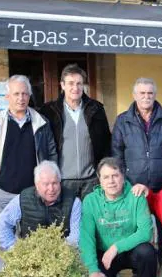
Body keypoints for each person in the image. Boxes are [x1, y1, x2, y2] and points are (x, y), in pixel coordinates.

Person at [0, 75, 57, 261]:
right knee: (4, 244)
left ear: (29, 96)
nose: (20, 98)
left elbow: (52, 154)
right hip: (2, 193)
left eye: (24, 94)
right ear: (7, 97)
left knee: (35, 241)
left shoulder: (41, 122)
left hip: (33, 194)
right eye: (16, 94)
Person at [79, 157, 161, 277]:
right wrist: (92, 270)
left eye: (115, 175)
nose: (111, 181)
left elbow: (145, 233)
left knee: (147, 252)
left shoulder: (136, 196)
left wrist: (116, 247)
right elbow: (87, 238)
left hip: (131, 251)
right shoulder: (90, 201)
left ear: (123, 176)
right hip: (105, 255)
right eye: (106, 177)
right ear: (100, 181)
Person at [40, 64, 111, 200]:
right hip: (63, 180)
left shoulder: (96, 109)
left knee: (90, 220)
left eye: (79, 83)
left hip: (91, 180)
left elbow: (106, 143)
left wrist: (103, 173)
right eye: (71, 83)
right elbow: (43, 146)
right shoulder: (49, 111)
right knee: (65, 221)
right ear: (62, 85)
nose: (75, 88)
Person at [112, 77, 162, 192]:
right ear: (134, 95)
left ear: (155, 95)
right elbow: (117, 153)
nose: (146, 96)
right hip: (133, 186)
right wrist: (124, 179)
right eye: (142, 93)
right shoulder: (122, 120)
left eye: (150, 93)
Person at [0, 161, 81, 250]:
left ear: (60, 182)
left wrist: (58, 253)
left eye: (54, 183)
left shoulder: (73, 201)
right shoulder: (23, 199)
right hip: (29, 256)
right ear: (37, 185)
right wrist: (14, 249)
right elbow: (1, 224)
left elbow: (76, 236)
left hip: (62, 256)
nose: (51, 189)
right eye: (46, 184)